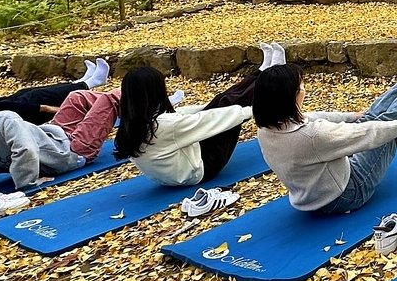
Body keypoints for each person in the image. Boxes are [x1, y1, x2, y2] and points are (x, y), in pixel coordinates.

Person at [255, 44, 397, 214]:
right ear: (291, 96)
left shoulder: (267, 128)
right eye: (301, 87)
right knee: (386, 125)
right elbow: (365, 134)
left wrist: (352, 116)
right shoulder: (312, 136)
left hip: (311, 195)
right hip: (347, 194)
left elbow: (315, 117)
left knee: (366, 118)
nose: (304, 90)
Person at [113, 43, 286, 186]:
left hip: (171, 174)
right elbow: (208, 120)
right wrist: (254, 109)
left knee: (222, 100)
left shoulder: (133, 122)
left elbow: (182, 116)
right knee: (228, 104)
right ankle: (273, 77)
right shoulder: (165, 126)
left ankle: (263, 72)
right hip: (199, 170)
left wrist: (213, 103)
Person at [0, 85, 115, 192]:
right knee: (111, 99)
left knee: (77, 97)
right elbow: (26, 149)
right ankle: (139, 104)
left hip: (53, 138)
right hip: (73, 152)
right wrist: (28, 182)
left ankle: (136, 111)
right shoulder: (3, 119)